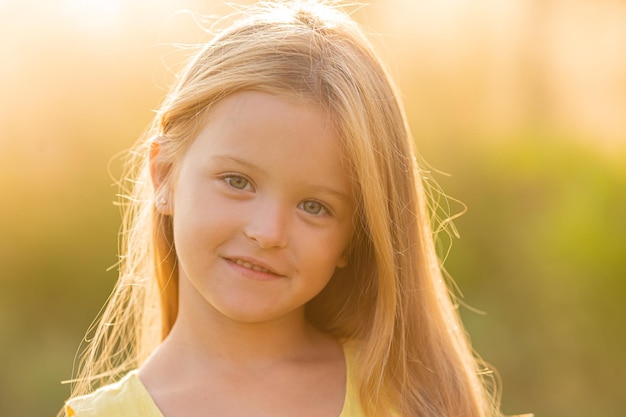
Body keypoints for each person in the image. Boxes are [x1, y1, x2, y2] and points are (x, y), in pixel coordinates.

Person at [62, 1, 525, 416]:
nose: (269, 231)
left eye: (315, 207)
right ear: (163, 175)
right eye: (237, 181)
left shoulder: (408, 400)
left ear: (354, 235)